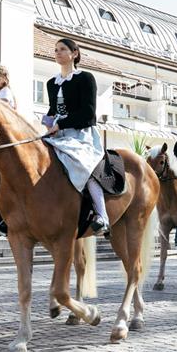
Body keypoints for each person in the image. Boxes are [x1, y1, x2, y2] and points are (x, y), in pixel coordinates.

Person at [43, 38, 109, 235]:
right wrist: (48, 120)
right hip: (58, 134)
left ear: (75, 53)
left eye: (62, 49)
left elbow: (88, 114)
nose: (58, 53)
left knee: (82, 164)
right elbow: (54, 109)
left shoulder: (85, 78)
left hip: (82, 135)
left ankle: (102, 216)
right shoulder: (51, 83)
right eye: (55, 50)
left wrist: (60, 124)